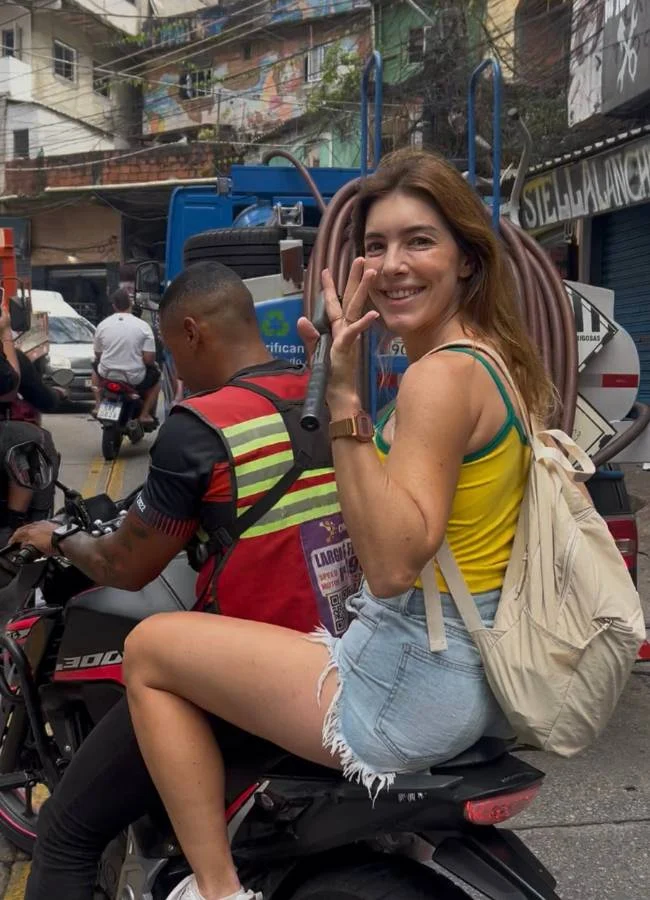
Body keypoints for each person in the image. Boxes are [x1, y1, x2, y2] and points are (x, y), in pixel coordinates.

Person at [113, 148, 555, 900]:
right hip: (467, 670)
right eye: (376, 246)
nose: (393, 264)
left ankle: (217, 890)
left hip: (409, 684)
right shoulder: (493, 359)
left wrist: (345, 399)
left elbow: (389, 566)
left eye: (420, 241)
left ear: (467, 261)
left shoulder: (439, 378)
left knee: (149, 648)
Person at [12, 260, 359, 900]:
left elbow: (126, 564)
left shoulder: (200, 424)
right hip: (343, 658)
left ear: (193, 333)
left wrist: (59, 537)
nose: (173, 368)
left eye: (171, 350)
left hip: (247, 674)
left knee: (66, 831)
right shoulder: (323, 395)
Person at [0, 309, 61, 544]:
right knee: (34, 439)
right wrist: (5, 333)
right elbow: (9, 385)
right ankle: (21, 523)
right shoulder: (11, 357)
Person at [92, 287, 161, 424]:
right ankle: (144, 414)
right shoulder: (143, 326)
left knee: (94, 367)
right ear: (130, 304)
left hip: (107, 374)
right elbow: (148, 359)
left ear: (114, 306)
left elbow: (98, 354)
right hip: (134, 377)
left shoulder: (102, 325)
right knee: (158, 380)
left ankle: (98, 404)